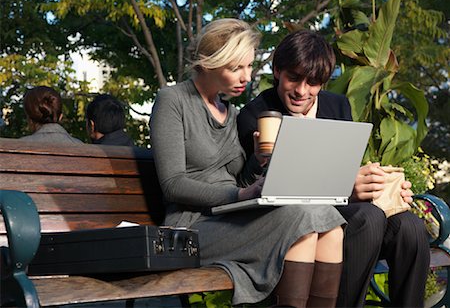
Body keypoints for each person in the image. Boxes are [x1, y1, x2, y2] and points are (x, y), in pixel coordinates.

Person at [150, 18, 346, 307]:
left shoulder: (229, 111)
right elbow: (172, 184)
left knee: (329, 223)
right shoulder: (172, 100)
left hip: (229, 215)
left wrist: (258, 161)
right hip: (190, 226)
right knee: (302, 219)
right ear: (211, 63)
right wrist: (240, 195)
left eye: (249, 66)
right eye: (236, 68)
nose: (246, 77)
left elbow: (239, 180)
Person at [237, 29, 430, 307]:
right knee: (368, 217)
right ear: (277, 71)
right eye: (294, 78)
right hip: (294, 222)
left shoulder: (338, 106)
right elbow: (268, 189)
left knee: (410, 227)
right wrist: (347, 189)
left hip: (342, 211)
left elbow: (346, 166)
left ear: (324, 82)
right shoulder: (256, 115)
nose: (302, 91)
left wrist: (383, 187)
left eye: (313, 82)